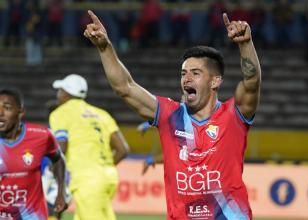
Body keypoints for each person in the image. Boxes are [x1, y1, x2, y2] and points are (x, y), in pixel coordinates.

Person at [84, 9, 261, 219]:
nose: (186, 79)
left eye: (196, 73)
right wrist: (105, 47)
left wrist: (245, 45)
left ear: (215, 81)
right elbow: (125, 87)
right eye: (183, 73)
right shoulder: (169, 115)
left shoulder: (233, 115)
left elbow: (252, 83)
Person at [48, 74, 129, 220]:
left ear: (66, 93)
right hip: (108, 177)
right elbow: (123, 149)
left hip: (87, 180)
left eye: (59, 90)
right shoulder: (101, 114)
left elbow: (62, 148)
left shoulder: (60, 113)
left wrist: (51, 170)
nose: (58, 95)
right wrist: (102, 168)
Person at [0, 88, 68, 219]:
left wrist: (61, 193)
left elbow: (58, 159)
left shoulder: (41, 136)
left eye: (7, 108)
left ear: (20, 112)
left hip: (32, 215)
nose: (0, 113)